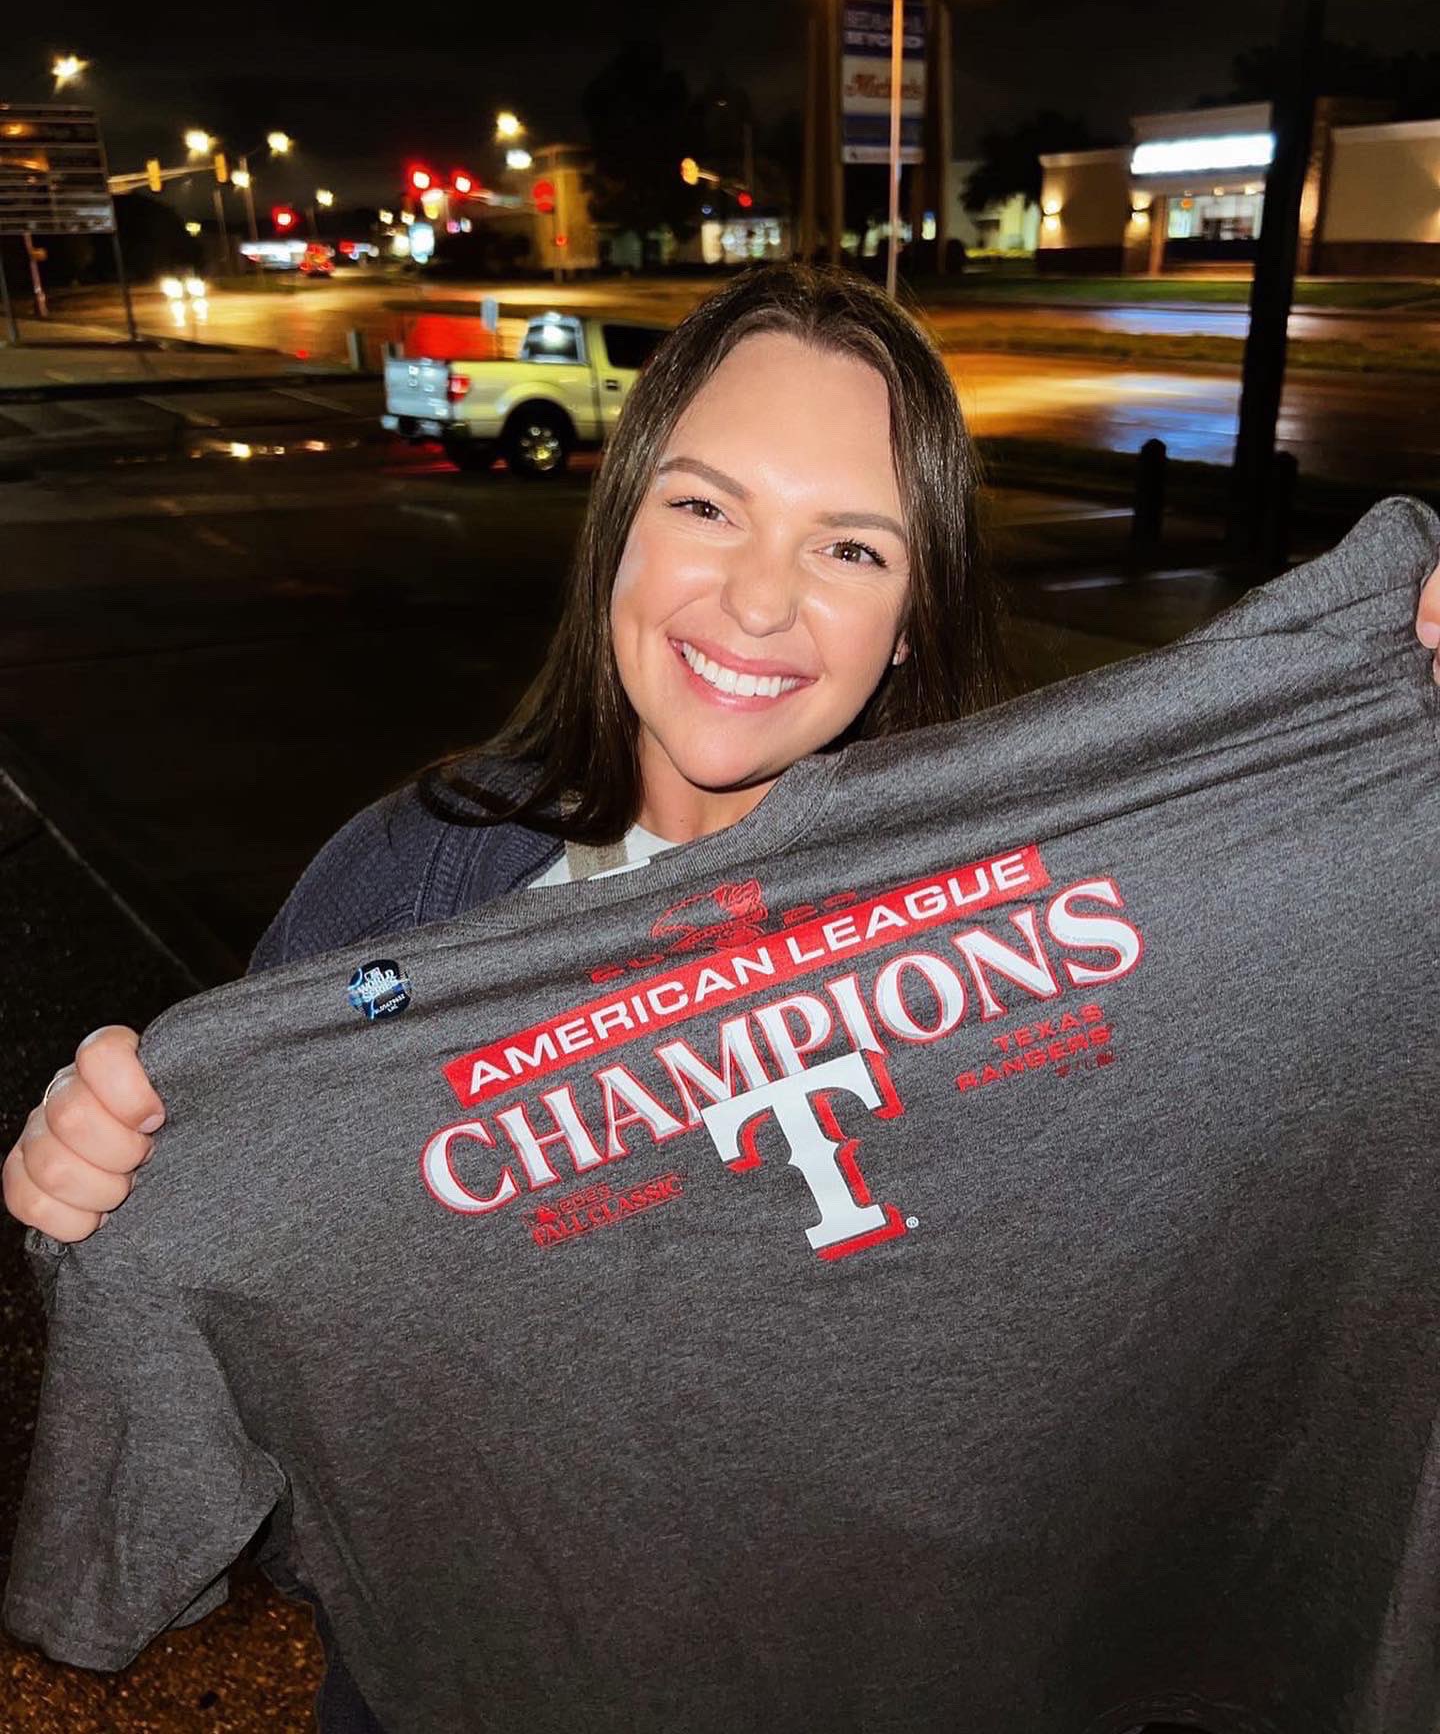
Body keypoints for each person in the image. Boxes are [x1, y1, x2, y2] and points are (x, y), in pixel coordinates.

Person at [4, 263, 1439, 1734]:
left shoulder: (1068, 907)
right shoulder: (398, 901)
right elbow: (225, 1295)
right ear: (615, 527)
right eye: (704, 506)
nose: (757, 600)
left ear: (914, 621)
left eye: (853, 547)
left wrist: (1400, 756)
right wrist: (95, 1202)